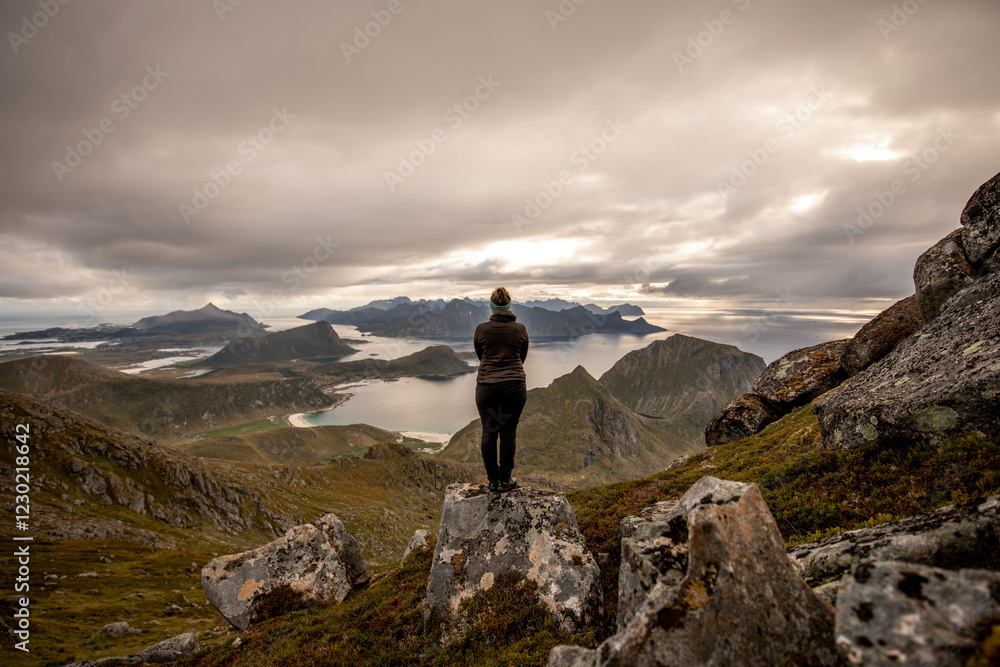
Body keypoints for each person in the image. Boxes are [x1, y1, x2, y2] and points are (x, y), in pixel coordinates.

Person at [474, 287, 529, 493]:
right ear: (509, 305)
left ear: (492, 306)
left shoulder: (481, 329)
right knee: (508, 432)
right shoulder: (520, 329)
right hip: (514, 387)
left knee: (489, 431)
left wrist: (493, 370)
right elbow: (522, 357)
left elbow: (482, 355)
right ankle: (505, 479)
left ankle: (492, 481)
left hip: (487, 387)